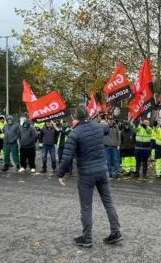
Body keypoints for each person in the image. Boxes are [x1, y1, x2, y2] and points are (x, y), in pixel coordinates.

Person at [57, 105, 122, 247]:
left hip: (86, 173)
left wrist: (61, 174)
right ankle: (116, 232)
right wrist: (107, 123)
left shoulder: (74, 133)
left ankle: (87, 238)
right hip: (103, 171)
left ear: (75, 117)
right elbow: (107, 128)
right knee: (108, 202)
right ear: (88, 115)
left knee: (86, 207)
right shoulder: (99, 127)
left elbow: (66, 157)